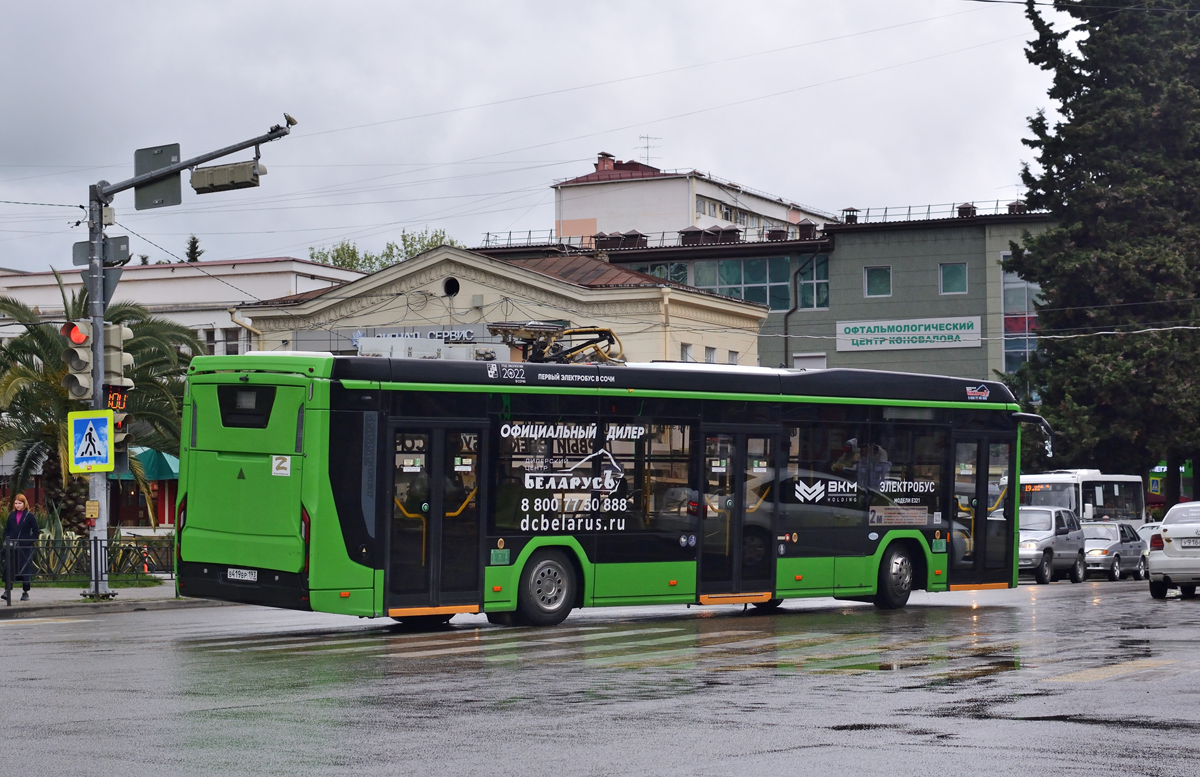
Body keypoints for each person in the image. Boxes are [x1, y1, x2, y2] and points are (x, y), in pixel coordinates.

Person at [2, 493, 38, 602]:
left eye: (19, 503)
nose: (17, 505)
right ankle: (7, 591)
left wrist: (29, 542)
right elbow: (7, 530)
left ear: (24, 504)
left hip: (25, 548)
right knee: (9, 568)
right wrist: (7, 539)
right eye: (16, 503)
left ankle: (25, 592)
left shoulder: (29, 516)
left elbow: (36, 531)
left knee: (25, 570)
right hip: (12, 547)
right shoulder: (11, 516)